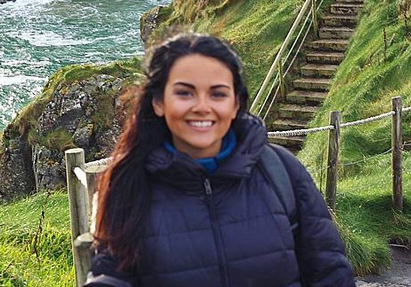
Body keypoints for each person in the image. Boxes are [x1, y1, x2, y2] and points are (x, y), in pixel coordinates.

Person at [87, 33, 357, 286]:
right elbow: (111, 277)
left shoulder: (282, 172)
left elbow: (330, 273)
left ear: (236, 103)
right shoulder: (127, 183)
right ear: (158, 102)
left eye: (218, 94)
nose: (202, 106)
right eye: (184, 93)